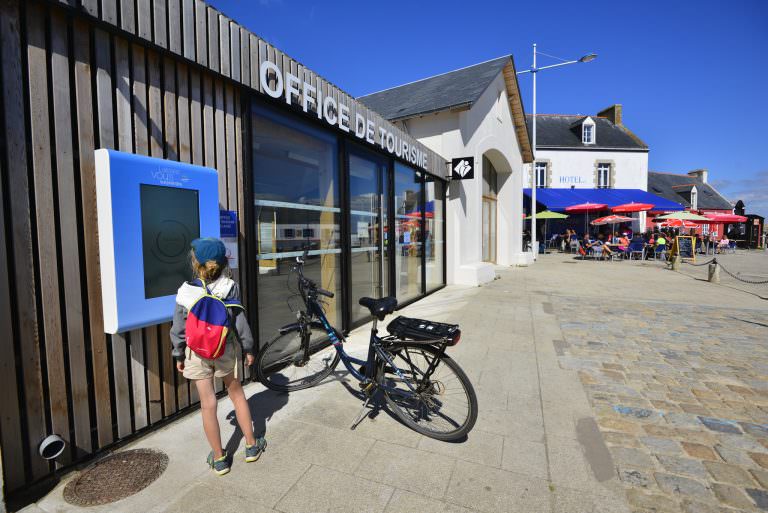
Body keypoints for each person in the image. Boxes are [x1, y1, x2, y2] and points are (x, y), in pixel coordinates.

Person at [170, 238, 266, 476]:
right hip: (225, 348)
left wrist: (178, 353)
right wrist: (249, 348)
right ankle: (252, 446)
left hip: (196, 352)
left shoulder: (185, 291)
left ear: (196, 262)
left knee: (208, 404)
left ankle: (219, 458)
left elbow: (179, 327)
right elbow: (239, 322)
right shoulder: (229, 287)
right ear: (224, 263)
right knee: (237, 394)